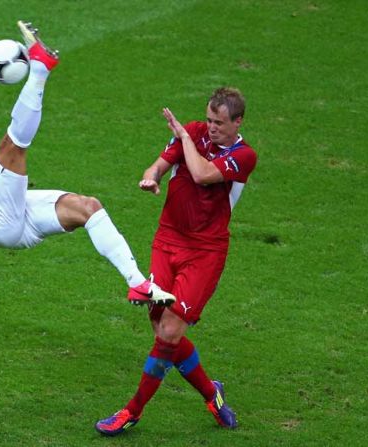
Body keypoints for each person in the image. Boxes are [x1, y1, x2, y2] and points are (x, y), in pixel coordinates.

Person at [0, 21, 174, 306]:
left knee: (87, 207)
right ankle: (40, 70)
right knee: (10, 148)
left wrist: (13, 187)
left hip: (14, 214)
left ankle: (138, 283)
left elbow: (1, 185)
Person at [95, 88, 258, 436]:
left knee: (169, 331)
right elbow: (160, 162)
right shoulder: (195, 132)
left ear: (238, 121)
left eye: (220, 122)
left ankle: (132, 411)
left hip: (205, 251)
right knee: (162, 329)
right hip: (168, 239)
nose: (211, 128)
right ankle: (212, 395)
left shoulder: (244, 156)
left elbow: (201, 174)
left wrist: (184, 136)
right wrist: (151, 176)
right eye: (209, 120)